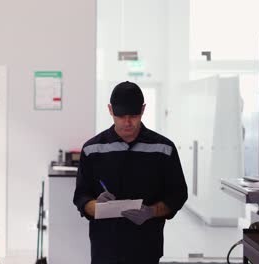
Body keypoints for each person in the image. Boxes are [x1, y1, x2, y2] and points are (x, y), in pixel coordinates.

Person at [73, 81, 188, 264]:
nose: (127, 122)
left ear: (143, 109)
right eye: (120, 115)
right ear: (110, 110)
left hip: (146, 246)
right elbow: (81, 197)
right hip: (105, 247)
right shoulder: (92, 149)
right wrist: (96, 205)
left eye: (133, 115)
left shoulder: (163, 149)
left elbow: (178, 195)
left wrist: (151, 212)